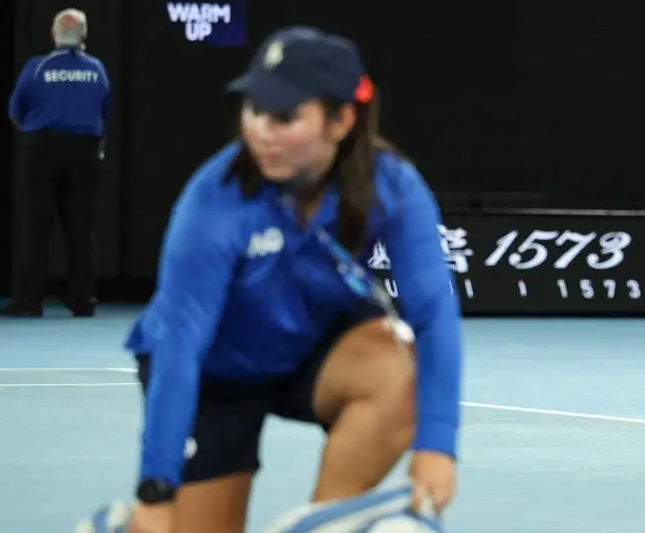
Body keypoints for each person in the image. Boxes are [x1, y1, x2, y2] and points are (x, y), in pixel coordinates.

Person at [119, 27, 461, 533]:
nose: (260, 130)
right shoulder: (214, 200)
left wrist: (437, 443)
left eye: (284, 117)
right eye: (252, 110)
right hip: (217, 376)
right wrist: (156, 483)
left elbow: (433, 314)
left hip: (310, 351)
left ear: (342, 119)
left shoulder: (392, 186)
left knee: (397, 369)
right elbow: (181, 343)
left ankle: (325, 526)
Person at [5, 8, 108, 319]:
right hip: (84, 150)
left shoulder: (38, 68)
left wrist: (33, 134)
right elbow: (104, 108)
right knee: (80, 226)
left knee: (35, 224)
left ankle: (28, 301)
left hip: (42, 148)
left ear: (54, 35)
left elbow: (16, 109)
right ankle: (82, 299)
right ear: (84, 36)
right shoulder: (97, 69)